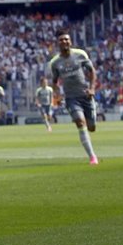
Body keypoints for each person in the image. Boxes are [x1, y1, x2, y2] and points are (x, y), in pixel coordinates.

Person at [48, 29, 99, 165]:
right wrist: (58, 95)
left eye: (66, 39)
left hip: (86, 95)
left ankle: (93, 112)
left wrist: (92, 88)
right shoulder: (54, 63)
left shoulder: (80, 54)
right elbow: (54, 81)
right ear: (58, 43)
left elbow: (92, 71)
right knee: (80, 122)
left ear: (70, 41)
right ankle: (92, 157)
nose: (64, 41)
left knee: (92, 127)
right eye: (61, 40)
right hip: (71, 98)